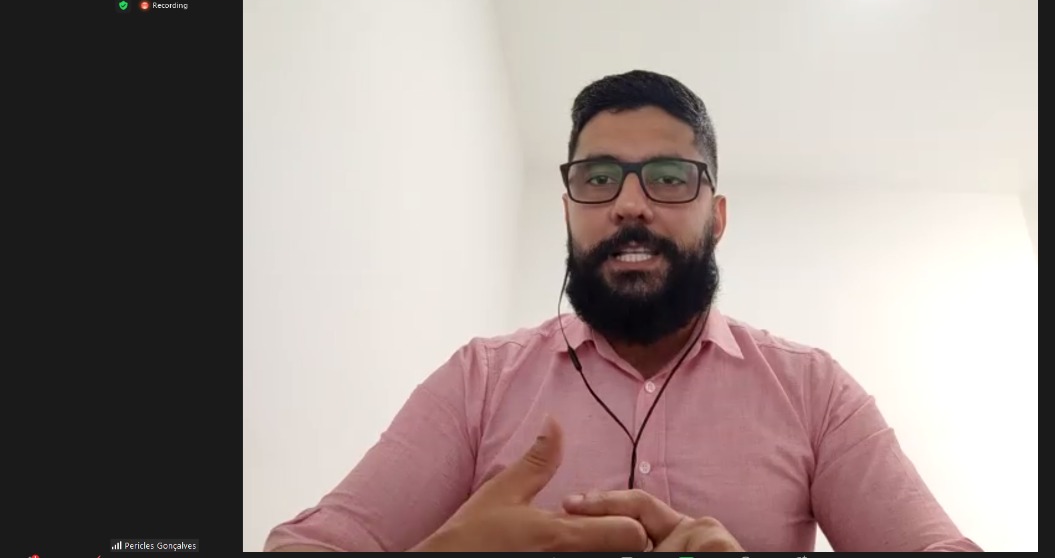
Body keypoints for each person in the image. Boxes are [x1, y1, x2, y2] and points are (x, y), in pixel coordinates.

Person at [263, 70, 982, 553]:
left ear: (717, 217)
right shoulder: (478, 380)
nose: (630, 204)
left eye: (668, 178)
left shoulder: (815, 393)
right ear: (568, 211)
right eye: (598, 177)